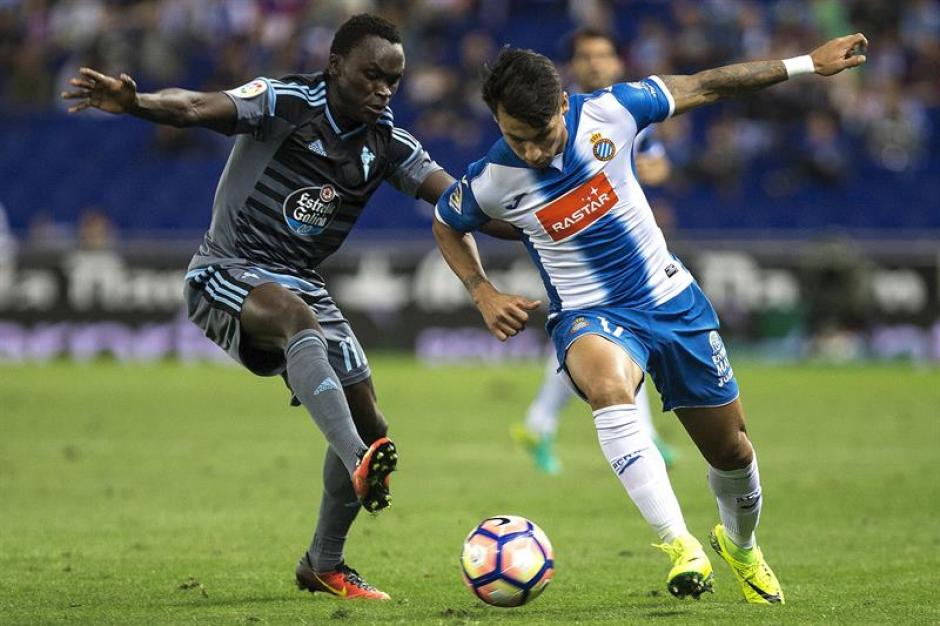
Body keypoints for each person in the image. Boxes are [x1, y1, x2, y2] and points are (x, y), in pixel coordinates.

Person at [434, 34, 868, 603]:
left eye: (542, 135)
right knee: (609, 388)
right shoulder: (491, 179)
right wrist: (483, 292)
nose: (533, 152)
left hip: (670, 300)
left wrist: (806, 64)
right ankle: (680, 545)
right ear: (497, 119)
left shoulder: (612, 112)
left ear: (563, 104)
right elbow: (447, 223)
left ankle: (739, 545)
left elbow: (707, 84)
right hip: (589, 313)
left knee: (733, 451)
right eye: (517, 138)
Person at [62, 14, 462, 601]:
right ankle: (358, 459)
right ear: (335, 67)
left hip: (302, 283)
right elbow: (195, 107)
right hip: (227, 269)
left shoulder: (388, 143)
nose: (383, 90)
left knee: (372, 422)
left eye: (393, 81)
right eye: (372, 76)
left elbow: (459, 200)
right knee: (305, 335)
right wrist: (136, 103)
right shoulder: (285, 102)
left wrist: (542, 215)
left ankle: (324, 563)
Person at [513, 27, 676, 475]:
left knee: (601, 338)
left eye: (603, 54)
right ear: (572, 66)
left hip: (619, 246)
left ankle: (540, 423)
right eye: (586, 56)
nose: (595, 63)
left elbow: (658, 162)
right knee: (607, 336)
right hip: (571, 247)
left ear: (617, 61)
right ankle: (636, 433)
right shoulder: (552, 118)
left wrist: (645, 169)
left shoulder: (625, 109)